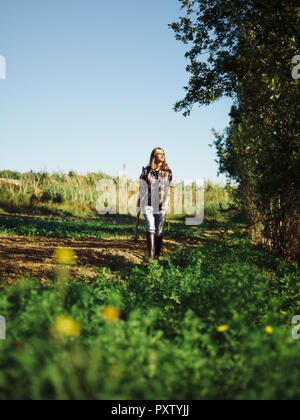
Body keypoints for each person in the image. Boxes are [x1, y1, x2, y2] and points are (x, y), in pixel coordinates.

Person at [137, 147, 172, 261]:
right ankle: (151, 255)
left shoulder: (167, 172)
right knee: (150, 227)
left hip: (162, 204)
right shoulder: (146, 171)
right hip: (147, 203)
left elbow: (168, 189)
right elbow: (142, 187)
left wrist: (166, 203)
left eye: (163, 154)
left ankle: (157, 255)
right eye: (159, 154)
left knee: (159, 230)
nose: (162, 155)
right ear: (154, 156)